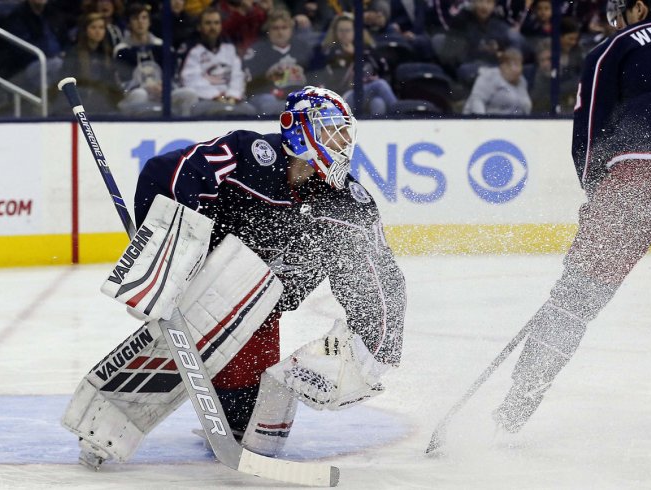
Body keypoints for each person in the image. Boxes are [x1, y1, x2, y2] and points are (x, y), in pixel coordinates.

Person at [62, 86, 406, 467]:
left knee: (257, 436)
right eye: (331, 129)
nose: (343, 142)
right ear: (297, 128)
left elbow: (381, 283)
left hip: (264, 306)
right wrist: (165, 256)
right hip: (212, 288)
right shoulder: (247, 156)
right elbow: (167, 174)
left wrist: (369, 357)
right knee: (207, 320)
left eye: (345, 131)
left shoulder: (347, 204)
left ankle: (235, 417)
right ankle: (106, 422)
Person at [493, 0, 651, 435]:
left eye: (621, 9)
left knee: (575, 300)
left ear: (640, 6)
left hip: (641, 175)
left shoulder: (613, 47)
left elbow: (589, 131)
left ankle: (515, 407)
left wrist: (598, 193)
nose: (616, 19)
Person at [115, 1, 198, 117]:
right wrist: (145, 87)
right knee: (140, 94)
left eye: (144, 18)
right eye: (135, 18)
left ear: (149, 21)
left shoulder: (162, 46)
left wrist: (165, 85)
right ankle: (135, 128)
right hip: (137, 93)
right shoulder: (122, 50)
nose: (140, 22)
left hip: (162, 92)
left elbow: (173, 75)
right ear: (129, 23)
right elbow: (121, 82)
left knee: (189, 94)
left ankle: (182, 126)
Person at [179, 7, 256, 116]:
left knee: (250, 111)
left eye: (216, 23)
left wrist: (233, 95)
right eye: (208, 23)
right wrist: (215, 96)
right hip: (205, 99)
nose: (212, 27)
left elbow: (238, 75)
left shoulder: (229, 49)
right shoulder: (193, 51)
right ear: (199, 27)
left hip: (232, 99)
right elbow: (190, 79)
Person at [320, 13, 398, 116]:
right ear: (335, 32)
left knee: (378, 103)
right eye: (341, 30)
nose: (344, 34)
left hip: (368, 92)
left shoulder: (367, 50)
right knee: (380, 85)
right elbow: (336, 82)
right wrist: (352, 57)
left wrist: (357, 54)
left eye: (348, 30)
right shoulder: (330, 52)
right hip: (342, 97)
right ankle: (400, 115)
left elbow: (381, 70)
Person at [242, 8, 312, 115]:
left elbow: (315, 77)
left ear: (291, 30)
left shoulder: (303, 48)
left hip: (298, 95)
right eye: (275, 28)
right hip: (268, 96)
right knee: (270, 104)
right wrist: (266, 78)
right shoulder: (256, 51)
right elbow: (249, 86)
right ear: (268, 30)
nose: (280, 32)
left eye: (284, 28)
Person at [58, 13, 122, 112]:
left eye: (101, 28)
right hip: (79, 102)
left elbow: (112, 82)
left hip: (103, 101)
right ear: (85, 30)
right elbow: (67, 80)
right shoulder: (74, 53)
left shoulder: (107, 54)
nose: (98, 31)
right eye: (93, 27)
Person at [462, 47, 531, 115]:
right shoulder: (490, 76)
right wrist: (482, 122)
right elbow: (477, 100)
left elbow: (526, 106)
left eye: (520, 65)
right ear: (503, 66)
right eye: (514, 65)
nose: (517, 69)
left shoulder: (522, 81)